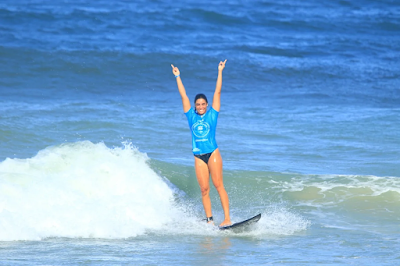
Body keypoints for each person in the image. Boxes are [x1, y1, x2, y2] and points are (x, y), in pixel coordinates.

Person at [171, 60, 231, 227]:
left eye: (203, 104)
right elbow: (183, 96)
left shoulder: (213, 114)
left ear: (207, 105)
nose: (200, 106)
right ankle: (210, 220)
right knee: (204, 190)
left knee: (218, 185)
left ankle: (227, 218)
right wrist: (177, 76)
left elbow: (217, 92)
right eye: (198, 104)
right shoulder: (191, 116)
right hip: (198, 156)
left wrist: (220, 71)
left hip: (212, 152)